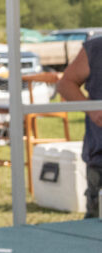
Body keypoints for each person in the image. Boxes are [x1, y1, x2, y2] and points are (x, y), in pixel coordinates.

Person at [56, 38, 102, 219]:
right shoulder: (97, 48)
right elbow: (65, 84)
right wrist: (93, 110)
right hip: (100, 159)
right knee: (94, 236)